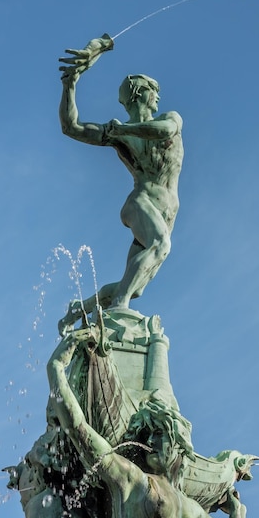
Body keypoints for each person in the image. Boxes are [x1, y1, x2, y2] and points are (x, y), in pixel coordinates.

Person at [47, 328, 249, 518]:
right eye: (146, 435)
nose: (150, 441)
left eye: (159, 435)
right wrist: (55, 369)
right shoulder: (132, 480)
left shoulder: (190, 510)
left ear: (179, 447)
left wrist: (237, 512)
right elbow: (79, 430)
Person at [58, 35, 184, 329]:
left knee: (135, 285)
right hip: (141, 203)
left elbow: (164, 131)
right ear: (140, 93)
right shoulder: (119, 132)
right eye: (154, 90)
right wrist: (70, 85)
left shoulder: (166, 119)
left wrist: (124, 128)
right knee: (160, 245)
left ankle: (80, 309)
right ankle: (118, 309)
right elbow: (71, 127)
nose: (159, 97)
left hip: (166, 212)